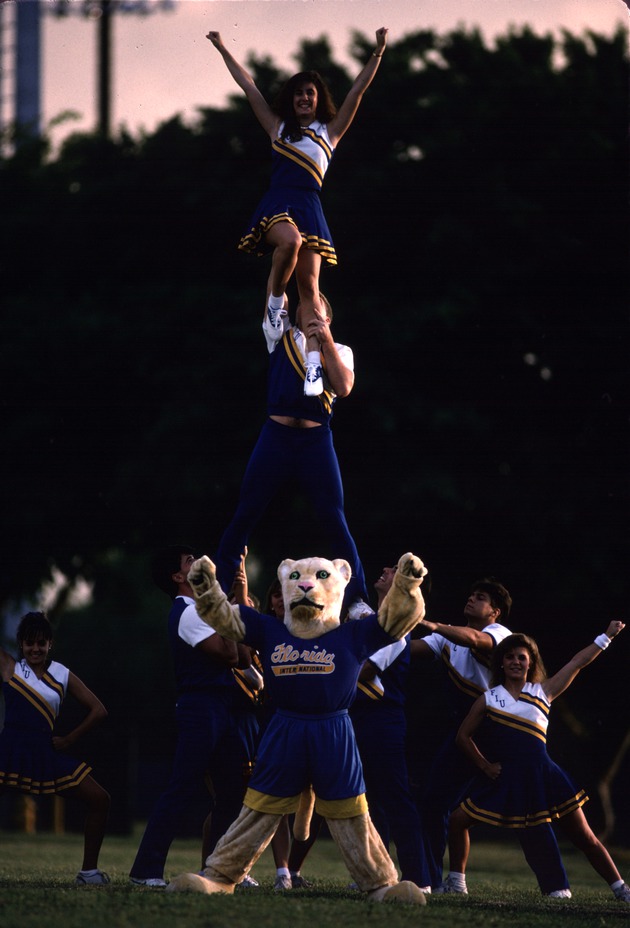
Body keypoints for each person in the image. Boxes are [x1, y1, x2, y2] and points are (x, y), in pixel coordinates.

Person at [206, 27, 388, 396]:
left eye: (310, 92)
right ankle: (274, 307)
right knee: (288, 241)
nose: (304, 97)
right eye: (299, 93)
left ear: (319, 99)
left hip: (310, 205)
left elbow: (358, 91)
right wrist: (223, 48)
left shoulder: (330, 132)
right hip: (279, 202)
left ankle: (312, 366)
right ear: (290, 100)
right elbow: (250, 87)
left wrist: (378, 51)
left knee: (311, 292)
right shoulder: (278, 128)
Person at [443, 622, 630, 904]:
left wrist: (607, 636)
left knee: (585, 837)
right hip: (507, 778)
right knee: (457, 820)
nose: (516, 661)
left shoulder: (544, 691)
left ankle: (621, 889)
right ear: (501, 663)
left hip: (544, 775)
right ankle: (457, 883)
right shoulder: (489, 698)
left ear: (530, 663)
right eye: (510, 657)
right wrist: (485, 766)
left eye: (521, 657)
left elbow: (578, 662)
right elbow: (463, 737)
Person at [410, 578, 571, 896]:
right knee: (433, 801)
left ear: (494, 612)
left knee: (529, 810)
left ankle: (557, 887)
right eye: (471, 594)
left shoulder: (500, 635)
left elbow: (475, 640)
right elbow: (407, 650)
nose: (471, 598)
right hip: (466, 734)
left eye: (480, 597)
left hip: (504, 733)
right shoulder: (446, 638)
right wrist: (378, 627)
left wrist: (431, 623)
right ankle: (432, 881)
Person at [214, 294, 369, 615]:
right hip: (277, 436)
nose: (309, 314)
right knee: (246, 512)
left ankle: (356, 601)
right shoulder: (281, 338)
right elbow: (277, 291)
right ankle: (219, 589)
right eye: (304, 309)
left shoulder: (340, 351)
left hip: (315, 439)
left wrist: (323, 340)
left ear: (328, 318)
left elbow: (343, 387)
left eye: (317, 312)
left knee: (334, 516)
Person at [129, 546, 260, 887]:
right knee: (181, 789)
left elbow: (246, 658)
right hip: (200, 708)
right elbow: (229, 655)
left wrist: (238, 599)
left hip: (223, 707)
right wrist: (225, 609)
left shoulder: (205, 608)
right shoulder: (187, 613)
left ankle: (220, 869)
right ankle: (145, 870)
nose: (198, 561)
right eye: (188, 561)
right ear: (177, 577)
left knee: (233, 791)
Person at [0, 611, 110, 885]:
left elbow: (99, 710)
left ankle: (89, 873)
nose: (35, 649)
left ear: (50, 644)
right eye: (29, 643)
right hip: (9, 751)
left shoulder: (61, 673)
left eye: (41, 643)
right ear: (21, 644)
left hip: (45, 754)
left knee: (100, 799)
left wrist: (69, 740)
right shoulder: (11, 668)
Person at [349, 565, 431, 892]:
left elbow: (365, 671)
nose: (384, 569)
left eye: (394, 570)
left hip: (383, 720)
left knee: (395, 798)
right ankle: (374, 874)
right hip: (356, 717)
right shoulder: (364, 612)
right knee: (362, 800)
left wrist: (332, 667)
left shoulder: (398, 628)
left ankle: (418, 878)